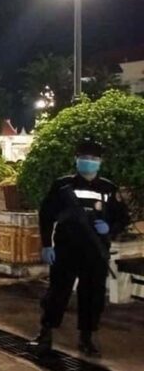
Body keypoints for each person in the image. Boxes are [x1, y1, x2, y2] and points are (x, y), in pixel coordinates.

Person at [26, 137, 129, 358]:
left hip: (95, 251)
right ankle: (45, 334)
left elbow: (123, 218)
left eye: (93, 159)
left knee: (93, 295)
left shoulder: (109, 189)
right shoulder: (63, 186)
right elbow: (46, 216)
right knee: (57, 293)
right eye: (84, 158)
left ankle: (87, 337)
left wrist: (109, 228)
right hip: (66, 249)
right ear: (76, 159)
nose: (88, 162)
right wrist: (46, 245)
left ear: (100, 162)